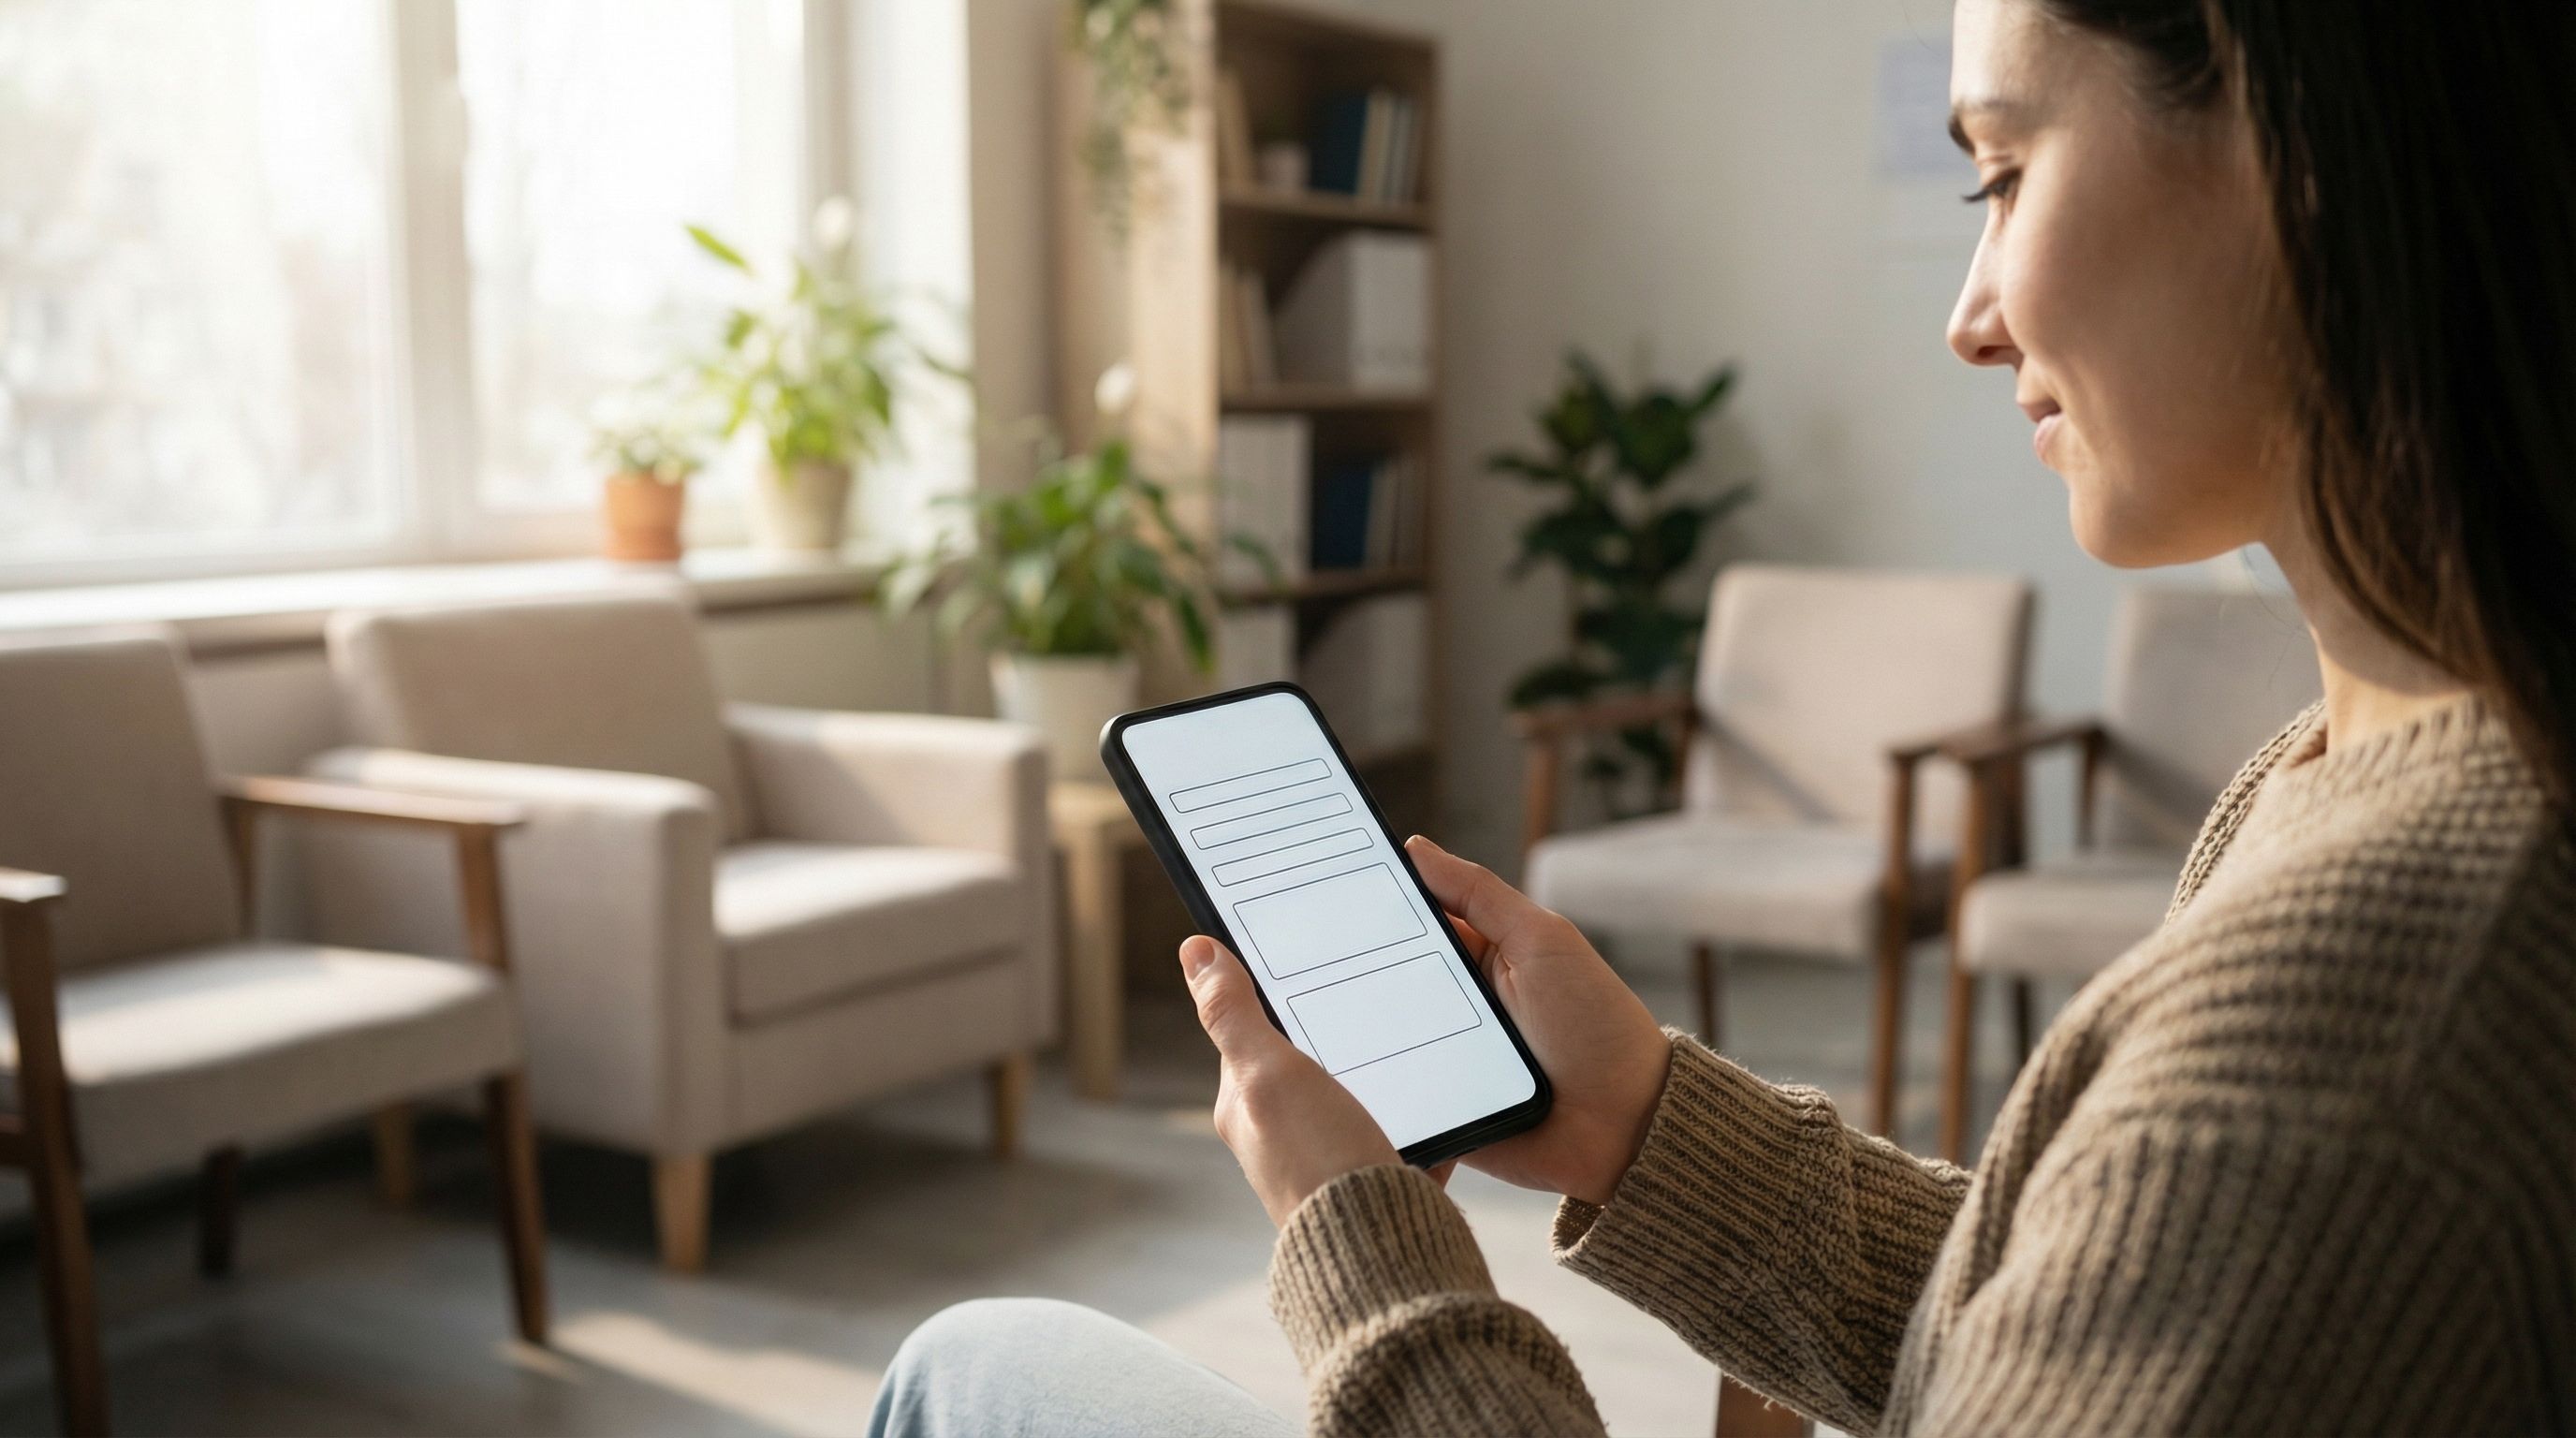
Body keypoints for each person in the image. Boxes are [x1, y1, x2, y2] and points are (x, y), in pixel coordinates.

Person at [871, 0, 2576, 1431]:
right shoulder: (2362, 759)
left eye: (2001, 171)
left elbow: (2217, 1248)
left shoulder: (2363, 1020)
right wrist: (1647, 1119)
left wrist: (1364, 1242)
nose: (1969, 317)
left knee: (961, 1370)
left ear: (2304, 145)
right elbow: (2099, 1310)